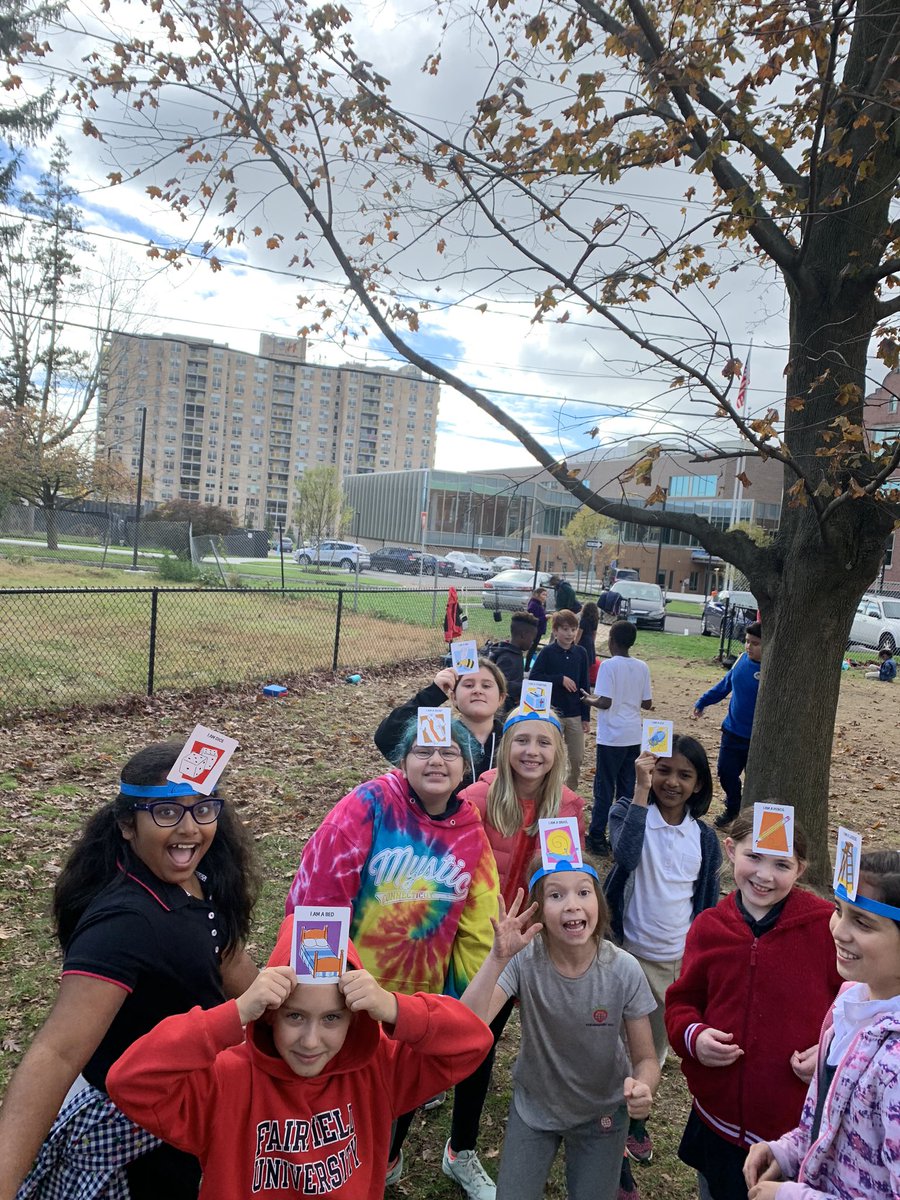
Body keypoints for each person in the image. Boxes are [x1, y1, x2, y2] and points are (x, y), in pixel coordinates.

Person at [0, 742, 261, 1200]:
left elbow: (228, 962)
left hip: (193, 1105)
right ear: (126, 824)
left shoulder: (199, 881)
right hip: (136, 1134)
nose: (190, 829)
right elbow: (56, 1054)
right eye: (165, 812)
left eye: (203, 809)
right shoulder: (125, 922)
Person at [106, 920, 494, 1199]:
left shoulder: (377, 1068)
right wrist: (234, 1014)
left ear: (355, 1018)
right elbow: (130, 1082)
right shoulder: (226, 1079)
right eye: (294, 1016)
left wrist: (394, 1007)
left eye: (331, 1018)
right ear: (269, 1013)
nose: (311, 1041)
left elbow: (471, 1042)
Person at [284, 716, 499, 1187]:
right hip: (347, 993)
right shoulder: (370, 805)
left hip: (412, 1005)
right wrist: (318, 996)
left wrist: (454, 1008)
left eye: (449, 752)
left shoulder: (469, 829)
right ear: (403, 761)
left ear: (467, 767)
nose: (436, 760)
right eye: (423, 750)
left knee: (391, 1099)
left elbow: (479, 928)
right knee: (329, 1102)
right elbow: (319, 893)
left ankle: (380, 1167)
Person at [443, 707, 585, 1199]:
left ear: (557, 752)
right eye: (521, 740)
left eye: (543, 743)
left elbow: (567, 881)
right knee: (428, 1040)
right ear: (504, 747)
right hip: (460, 942)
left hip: (515, 947)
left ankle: (459, 1150)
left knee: (479, 1046)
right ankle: (391, 1148)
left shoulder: (567, 805)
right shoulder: (476, 798)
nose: (532, 752)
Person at [666, 813, 843, 1200]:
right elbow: (682, 1001)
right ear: (731, 851)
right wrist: (694, 1037)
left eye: (781, 864)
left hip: (789, 1136)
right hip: (716, 1123)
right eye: (755, 857)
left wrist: (831, 1050)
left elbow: (857, 1004)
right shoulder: (709, 926)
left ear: (801, 869)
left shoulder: (827, 930)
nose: (764, 875)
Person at [462, 862, 659, 1200]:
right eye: (556, 894)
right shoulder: (524, 960)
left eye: (583, 892)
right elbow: (465, 1025)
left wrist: (643, 1087)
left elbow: (646, 1058)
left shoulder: (624, 970)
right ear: (537, 909)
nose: (572, 904)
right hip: (535, 1107)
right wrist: (496, 959)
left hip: (603, 1114)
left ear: (599, 901)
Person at [743, 848, 900, 1200]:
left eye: (863, 922)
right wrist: (790, 1151)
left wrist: (791, 1197)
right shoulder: (851, 1003)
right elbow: (828, 1122)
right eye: (839, 911)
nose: (838, 931)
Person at [604, 736, 721, 1174]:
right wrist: (638, 789)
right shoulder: (629, 812)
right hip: (630, 956)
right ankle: (616, 1142)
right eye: (664, 771)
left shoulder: (703, 839)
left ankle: (636, 1120)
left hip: (676, 962)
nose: (672, 782)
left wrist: (700, 958)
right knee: (618, 1049)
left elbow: (705, 900)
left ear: (698, 784)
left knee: (652, 1051)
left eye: (685, 775)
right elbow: (627, 856)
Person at [582, 620, 653, 856]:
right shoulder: (642, 666)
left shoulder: (609, 666)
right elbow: (647, 703)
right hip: (633, 734)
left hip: (611, 736)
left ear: (611, 640)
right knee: (625, 789)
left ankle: (597, 837)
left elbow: (605, 701)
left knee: (603, 787)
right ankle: (619, 835)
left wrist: (588, 699)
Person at [373, 659, 507, 778]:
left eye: (486, 686)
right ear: (454, 697)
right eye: (468, 685)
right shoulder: (438, 732)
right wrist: (433, 694)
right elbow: (386, 738)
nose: (477, 690)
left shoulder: (513, 737)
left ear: (501, 698)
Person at [691, 621, 763, 828]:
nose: (749, 646)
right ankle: (733, 808)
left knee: (755, 781)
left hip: (757, 739)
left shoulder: (773, 669)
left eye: (755, 643)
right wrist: (703, 701)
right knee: (726, 772)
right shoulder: (741, 660)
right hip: (732, 732)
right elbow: (724, 686)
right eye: (747, 642)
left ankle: (750, 818)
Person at [529, 609, 590, 791]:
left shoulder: (581, 653)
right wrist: (559, 679)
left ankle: (569, 791)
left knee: (577, 757)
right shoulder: (547, 653)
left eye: (573, 629)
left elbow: (584, 685)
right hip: (551, 713)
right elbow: (534, 677)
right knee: (551, 755)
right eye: (565, 629)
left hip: (575, 714)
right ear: (555, 631)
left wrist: (585, 716)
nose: (569, 633)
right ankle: (548, 789)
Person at [488, 610, 539, 712]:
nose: (533, 642)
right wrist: (525, 686)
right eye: (532, 638)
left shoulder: (515, 654)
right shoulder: (507, 658)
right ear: (523, 635)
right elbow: (500, 683)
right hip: (503, 711)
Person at [576, 601, 601, 686]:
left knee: (580, 663)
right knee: (588, 664)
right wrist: (592, 644)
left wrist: (574, 644)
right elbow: (594, 634)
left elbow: (579, 634)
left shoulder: (583, 620)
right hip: (590, 642)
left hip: (583, 641)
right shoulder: (595, 621)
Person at [526, 587, 548, 668]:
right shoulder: (533, 605)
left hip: (538, 631)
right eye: (543, 594)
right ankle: (527, 667)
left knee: (533, 649)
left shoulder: (539, 604)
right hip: (535, 631)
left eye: (546, 595)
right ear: (537, 595)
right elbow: (532, 619)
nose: (545, 597)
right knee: (531, 649)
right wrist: (545, 618)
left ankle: (527, 666)